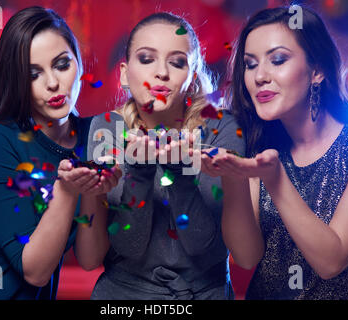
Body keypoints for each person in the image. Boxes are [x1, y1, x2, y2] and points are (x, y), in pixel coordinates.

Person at [0, 6, 120, 300]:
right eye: (33, 73)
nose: (52, 83)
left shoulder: (99, 133)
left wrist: (92, 189)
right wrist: (66, 190)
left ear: (79, 63)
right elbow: (35, 271)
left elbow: (90, 259)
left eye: (62, 64)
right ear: (16, 81)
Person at [200, 6, 348, 299]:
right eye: (251, 65)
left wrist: (276, 180)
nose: (260, 77)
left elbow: (332, 261)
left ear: (316, 70)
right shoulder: (258, 145)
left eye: (278, 60)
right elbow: (246, 256)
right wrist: (233, 177)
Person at [87, 12, 245, 300]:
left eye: (177, 62)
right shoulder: (108, 128)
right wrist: (139, 171)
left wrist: (178, 172)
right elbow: (129, 247)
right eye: (147, 59)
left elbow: (202, 247)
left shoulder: (221, 127)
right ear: (124, 73)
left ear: (192, 77)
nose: (161, 72)